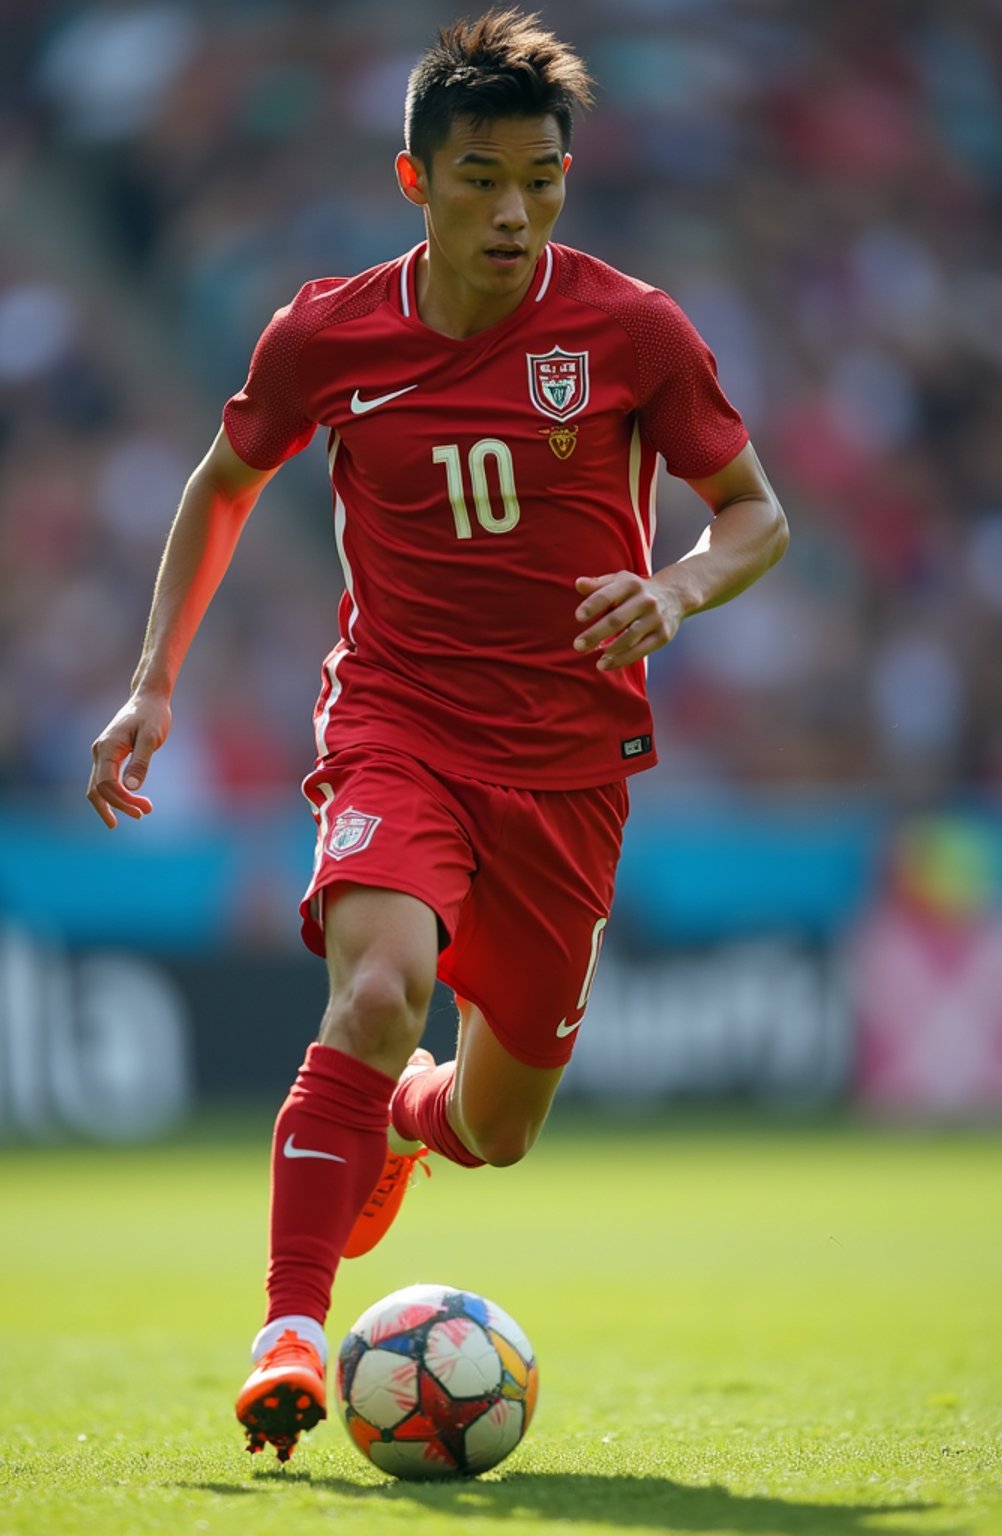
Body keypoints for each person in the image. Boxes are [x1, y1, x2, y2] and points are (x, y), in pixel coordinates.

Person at [87, 7, 789, 1463]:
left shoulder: (633, 328)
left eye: (541, 177)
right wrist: (154, 681)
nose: (515, 210)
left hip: (570, 769)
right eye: (481, 178)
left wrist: (676, 589)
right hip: (397, 724)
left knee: (500, 1124)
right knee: (379, 985)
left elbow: (757, 515)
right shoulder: (329, 333)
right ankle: (288, 1326)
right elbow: (223, 486)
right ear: (417, 182)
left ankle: (406, 1124)